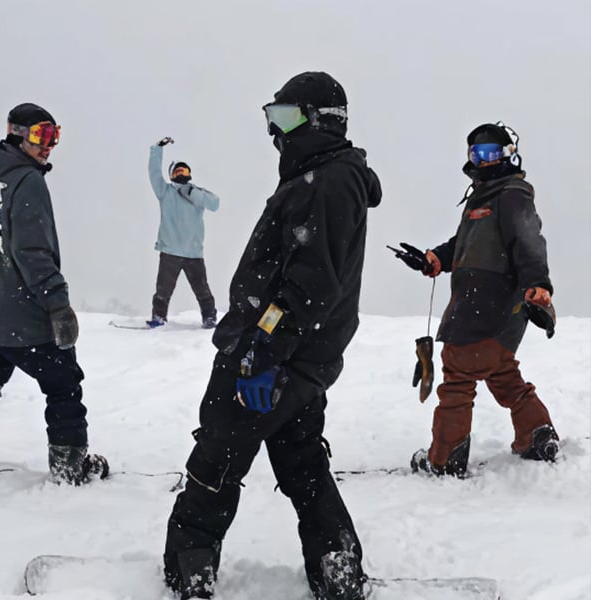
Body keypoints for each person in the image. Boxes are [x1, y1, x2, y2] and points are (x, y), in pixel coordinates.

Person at [162, 72, 381, 600]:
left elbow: (308, 284)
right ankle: (337, 567)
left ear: (319, 119)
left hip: (273, 356)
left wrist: (260, 351)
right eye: (271, 118)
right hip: (304, 356)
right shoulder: (325, 176)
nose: (274, 133)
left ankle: (189, 567)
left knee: (218, 453)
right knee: (300, 457)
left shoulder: (324, 182)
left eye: (284, 118)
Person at [0, 102, 108, 485]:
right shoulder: (27, 180)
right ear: (17, 134)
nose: (48, 145)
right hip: (22, 315)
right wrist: (58, 304)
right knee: (64, 385)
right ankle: (70, 465)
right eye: (40, 136)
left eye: (54, 135)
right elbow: (32, 252)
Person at [393, 121, 559, 477]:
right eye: (476, 154)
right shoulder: (484, 198)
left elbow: (529, 240)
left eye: (491, 153)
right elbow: (464, 246)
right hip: (487, 310)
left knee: (457, 377)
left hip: (487, 306)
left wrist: (539, 283)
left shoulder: (512, 194)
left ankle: (444, 459)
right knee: (500, 370)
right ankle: (537, 435)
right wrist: (434, 258)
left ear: (510, 155)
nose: (483, 161)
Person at [146, 138, 220, 329]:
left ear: (189, 174)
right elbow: (154, 174)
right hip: (170, 250)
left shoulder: (197, 194)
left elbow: (215, 204)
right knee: (162, 291)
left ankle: (210, 318)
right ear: (171, 176)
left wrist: (191, 192)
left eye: (184, 171)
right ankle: (159, 317)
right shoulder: (166, 192)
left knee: (202, 290)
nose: (180, 173)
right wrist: (157, 149)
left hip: (194, 253)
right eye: (177, 171)